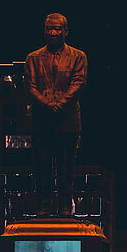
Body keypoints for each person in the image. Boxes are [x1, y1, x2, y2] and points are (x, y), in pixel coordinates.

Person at [25, 13, 87, 215]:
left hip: (67, 121)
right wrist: (47, 104)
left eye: (57, 29)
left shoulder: (78, 56)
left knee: (66, 169)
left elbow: (79, 82)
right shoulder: (33, 58)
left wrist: (60, 103)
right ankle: (43, 206)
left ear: (66, 31)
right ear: (44, 31)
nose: (53, 32)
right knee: (42, 167)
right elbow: (30, 86)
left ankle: (64, 207)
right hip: (42, 122)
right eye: (49, 28)